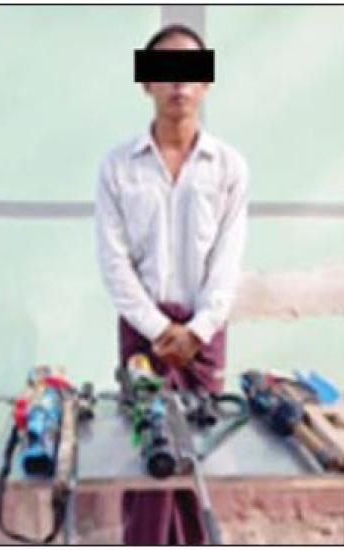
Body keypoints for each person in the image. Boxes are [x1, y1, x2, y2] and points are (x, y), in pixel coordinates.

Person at [93, 24, 249, 544]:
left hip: (204, 337)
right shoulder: (118, 167)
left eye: (190, 71)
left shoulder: (229, 167)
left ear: (206, 82)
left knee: (198, 454)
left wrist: (197, 331)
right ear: (146, 82)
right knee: (148, 454)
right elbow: (114, 263)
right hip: (144, 336)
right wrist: (160, 328)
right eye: (165, 70)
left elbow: (227, 260)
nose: (178, 83)